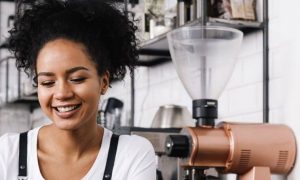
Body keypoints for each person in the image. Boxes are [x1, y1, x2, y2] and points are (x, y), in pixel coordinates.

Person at [0, 0, 156, 179]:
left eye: (77, 79)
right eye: (47, 82)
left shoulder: (132, 155)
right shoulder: (7, 153)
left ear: (103, 82)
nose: (62, 93)